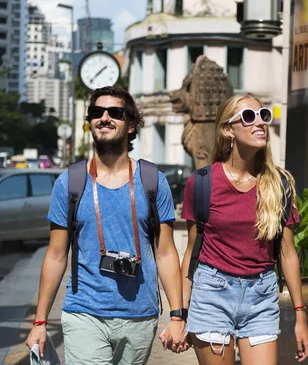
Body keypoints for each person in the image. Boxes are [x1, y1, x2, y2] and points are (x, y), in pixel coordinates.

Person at [25, 86, 187, 364]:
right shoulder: (70, 182)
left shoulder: (152, 180)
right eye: (97, 112)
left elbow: (165, 252)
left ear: (132, 125)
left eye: (115, 112)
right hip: (84, 312)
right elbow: (55, 254)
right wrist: (39, 321)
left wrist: (177, 315)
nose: (104, 117)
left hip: (139, 313)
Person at [172, 93, 308, 364]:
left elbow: (288, 254)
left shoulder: (279, 184)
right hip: (212, 293)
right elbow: (192, 251)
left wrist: (300, 316)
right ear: (228, 130)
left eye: (264, 116)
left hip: (261, 297)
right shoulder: (202, 183)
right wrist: (179, 314)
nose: (259, 123)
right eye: (249, 117)